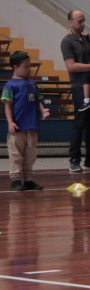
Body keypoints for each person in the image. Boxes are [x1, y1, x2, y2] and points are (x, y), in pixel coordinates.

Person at [61, 10, 90, 173]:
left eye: (84, 21)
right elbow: (71, 66)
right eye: (79, 21)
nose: (83, 24)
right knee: (79, 123)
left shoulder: (89, 39)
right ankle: (75, 159)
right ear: (71, 22)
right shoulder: (67, 41)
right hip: (79, 87)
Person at [2, 51, 50, 191]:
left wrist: (42, 110)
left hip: (32, 127)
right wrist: (11, 122)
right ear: (16, 67)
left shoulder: (33, 84)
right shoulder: (10, 86)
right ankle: (16, 180)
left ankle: (28, 179)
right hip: (18, 128)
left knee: (30, 155)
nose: (29, 69)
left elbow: (37, 101)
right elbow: (7, 106)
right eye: (26, 66)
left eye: (30, 66)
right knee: (16, 155)